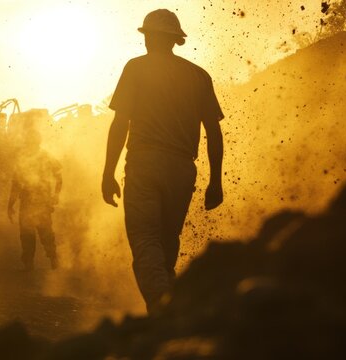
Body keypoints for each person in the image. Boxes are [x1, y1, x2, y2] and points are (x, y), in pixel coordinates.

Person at [102, 9, 225, 314]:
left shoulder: (136, 68)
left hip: (145, 164)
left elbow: (121, 124)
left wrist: (108, 173)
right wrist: (215, 181)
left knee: (145, 240)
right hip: (183, 170)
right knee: (168, 242)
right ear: (175, 40)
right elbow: (213, 130)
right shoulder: (198, 75)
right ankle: (170, 309)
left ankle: (161, 309)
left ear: (149, 38)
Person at [8, 129, 62, 271]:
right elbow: (16, 184)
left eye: (32, 140)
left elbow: (59, 176)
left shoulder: (44, 157)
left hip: (41, 200)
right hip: (29, 200)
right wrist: (10, 205)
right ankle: (32, 264)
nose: (29, 143)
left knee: (44, 232)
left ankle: (52, 259)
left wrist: (56, 194)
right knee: (29, 234)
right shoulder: (24, 159)